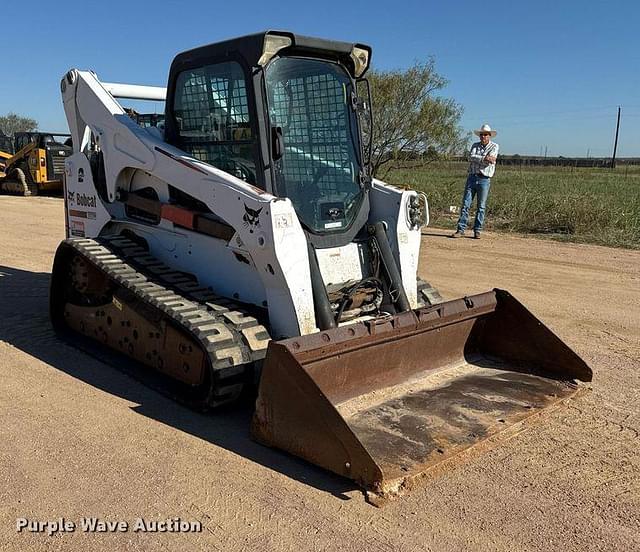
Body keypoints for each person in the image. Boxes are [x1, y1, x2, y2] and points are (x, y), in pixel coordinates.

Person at [451, 123, 499, 239]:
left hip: (484, 179)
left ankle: (477, 230)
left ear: (489, 136)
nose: (483, 137)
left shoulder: (494, 146)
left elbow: (491, 159)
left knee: (481, 206)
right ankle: (460, 229)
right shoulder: (475, 145)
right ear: (480, 136)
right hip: (472, 177)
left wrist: (479, 158)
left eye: (486, 135)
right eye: (482, 135)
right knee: (465, 204)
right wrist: (484, 158)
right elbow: (470, 157)